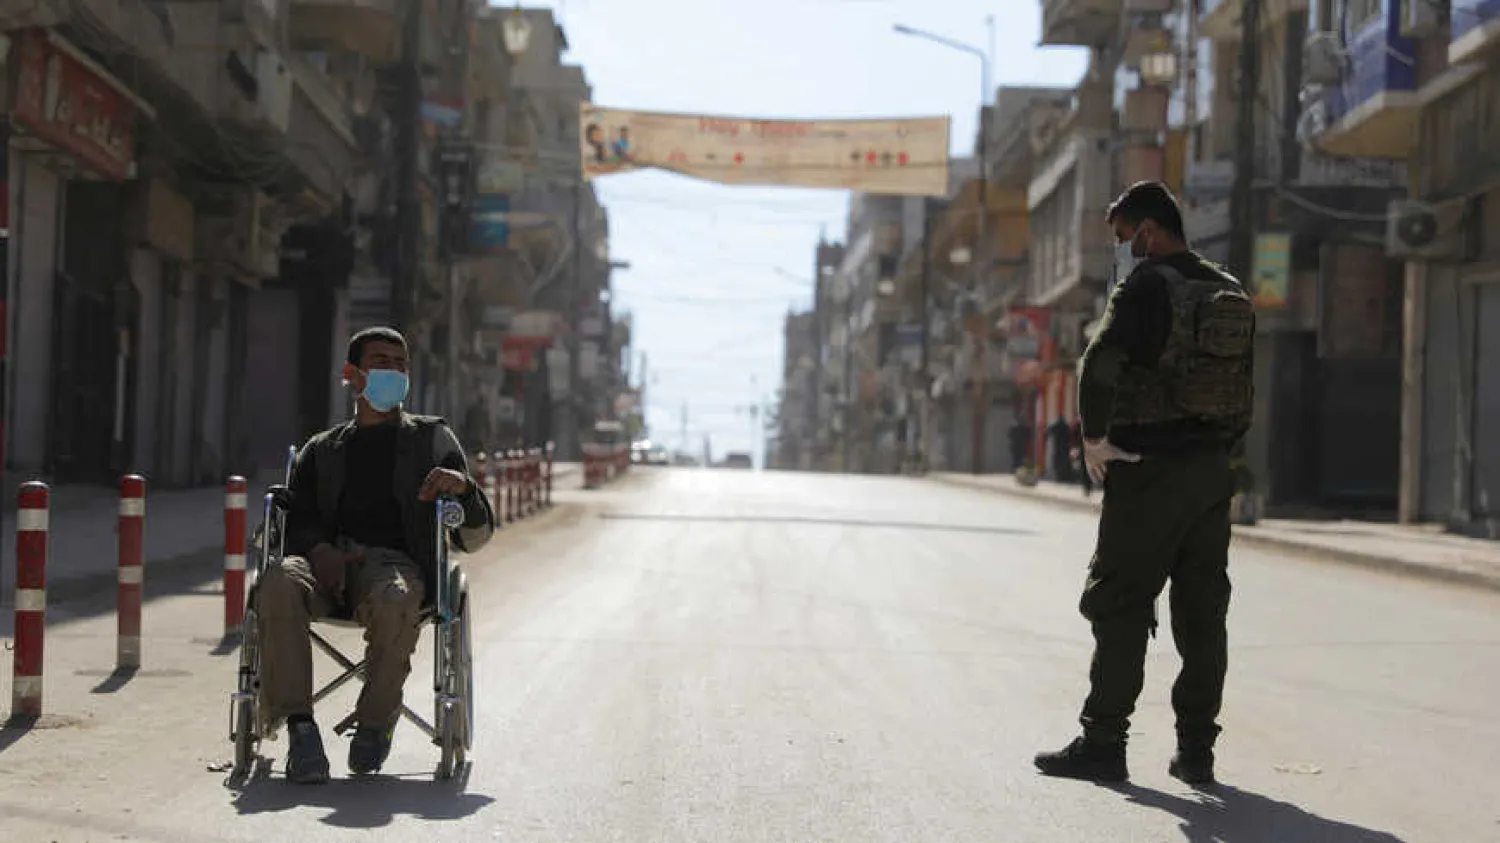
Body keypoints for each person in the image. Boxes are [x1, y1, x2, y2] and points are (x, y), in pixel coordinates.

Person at [1033, 181, 1254, 787]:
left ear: (1150, 232)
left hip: (1149, 466)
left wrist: (1095, 438)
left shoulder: (1147, 285)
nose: (1124, 250)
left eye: (1125, 237)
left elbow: (1100, 360)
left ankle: (1104, 741)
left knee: (1121, 601)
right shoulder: (1227, 289)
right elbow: (1244, 389)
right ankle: (1196, 751)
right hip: (1212, 472)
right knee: (1203, 612)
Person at [258, 327, 496, 783]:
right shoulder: (321, 449)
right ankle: (300, 729)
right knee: (277, 582)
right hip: (323, 563)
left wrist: (463, 491)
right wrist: (321, 550)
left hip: (393, 565)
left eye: (400, 363)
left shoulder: (433, 441)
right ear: (352, 374)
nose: (393, 371)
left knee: (395, 597)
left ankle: (374, 721)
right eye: (381, 362)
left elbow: (476, 536)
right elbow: (298, 515)